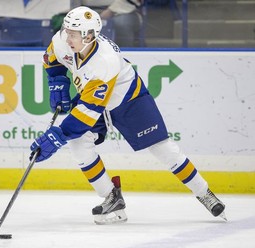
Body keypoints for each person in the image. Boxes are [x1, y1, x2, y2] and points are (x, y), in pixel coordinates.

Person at [29, 6, 226, 225]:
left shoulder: (105, 60)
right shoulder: (62, 40)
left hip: (128, 100)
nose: (67, 37)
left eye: (73, 34)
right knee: (78, 144)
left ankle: (204, 193)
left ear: (89, 36)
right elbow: (52, 59)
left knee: (163, 149)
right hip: (92, 98)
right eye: (67, 30)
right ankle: (111, 197)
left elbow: (87, 113)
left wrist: (57, 136)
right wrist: (57, 83)